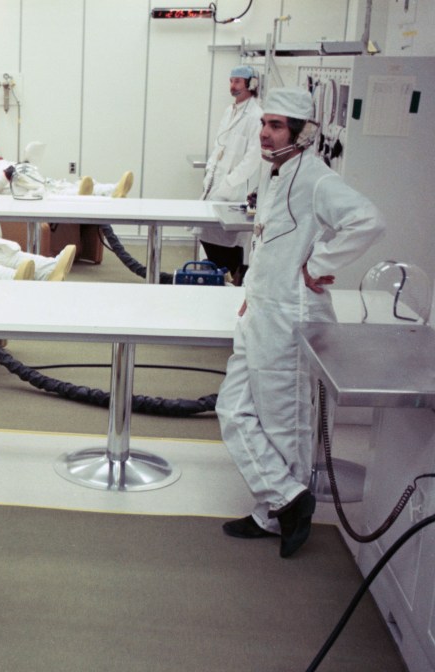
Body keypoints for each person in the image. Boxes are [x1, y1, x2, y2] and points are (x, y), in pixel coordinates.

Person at [216, 87, 384, 558]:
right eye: (264, 124)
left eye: (276, 126)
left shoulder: (315, 178)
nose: (265, 133)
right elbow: (270, 241)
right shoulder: (275, 174)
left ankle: (275, 515)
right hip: (262, 308)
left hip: (290, 316)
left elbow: (367, 220)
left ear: (302, 133)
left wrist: (320, 261)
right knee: (232, 409)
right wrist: (252, 293)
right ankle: (286, 499)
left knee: (283, 423)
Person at [194, 65, 265, 285]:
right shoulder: (230, 111)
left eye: (237, 81)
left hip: (234, 192)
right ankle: (220, 276)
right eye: (231, 81)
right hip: (216, 187)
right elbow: (219, 146)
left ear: (251, 84)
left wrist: (228, 182)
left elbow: (253, 158)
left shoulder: (256, 116)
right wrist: (210, 174)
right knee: (206, 235)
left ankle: (232, 277)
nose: (232, 86)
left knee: (230, 242)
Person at [0, 142, 133, 199]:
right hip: (21, 197)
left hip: (34, 188)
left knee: (65, 187)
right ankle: (109, 191)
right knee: (62, 194)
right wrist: (8, 172)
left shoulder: (6, 163)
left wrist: (25, 163)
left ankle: (112, 189)